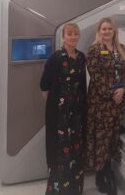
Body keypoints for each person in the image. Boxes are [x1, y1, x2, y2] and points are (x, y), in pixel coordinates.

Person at [85, 17, 125, 194]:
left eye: (109, 29)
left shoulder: (122, 50)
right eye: (103, 29)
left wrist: (124, 89)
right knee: (101, 138)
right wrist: (112, 93)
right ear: (99, 31)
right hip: (101, 103)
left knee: (113, 136)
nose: (106, 32)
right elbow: (95, 76)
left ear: (114, 31)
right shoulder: (94, 50)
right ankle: (102, 174)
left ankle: (108, 171)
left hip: (118, 103)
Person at [40, 23, 87, 195]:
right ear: (63, 37)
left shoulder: (82, 57)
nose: (73, 37)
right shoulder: (56, 58)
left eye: (76, 34)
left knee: (76, 147)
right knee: (60, 149)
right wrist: (56, 102)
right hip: (60, 113)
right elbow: (44, 85)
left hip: (77, 111)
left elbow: (82, 84)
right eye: (70, 34)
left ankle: (75, 189)